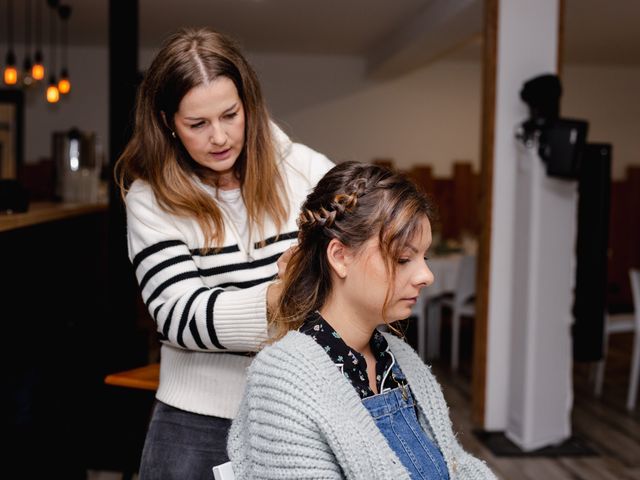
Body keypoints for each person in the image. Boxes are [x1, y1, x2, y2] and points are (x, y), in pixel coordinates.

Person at [114, 27, 333, 479]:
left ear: (248, 103)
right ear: (166, 122)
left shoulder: (305, 169)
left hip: (299, 407)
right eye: (197, 124)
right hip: (194, 423)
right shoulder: (149, 199)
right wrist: (282, 298)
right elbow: (179, 317)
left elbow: (359, 249)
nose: (220, 137)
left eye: (230, 115)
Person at [228, 162, 496, 479]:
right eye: (403, 259)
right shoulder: (282, 379)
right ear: (340, 256)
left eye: (424, 258)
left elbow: (456, 465)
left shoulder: (400, 358)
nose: (426, 276)